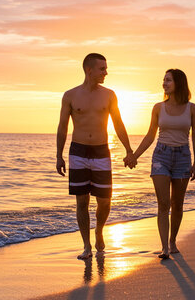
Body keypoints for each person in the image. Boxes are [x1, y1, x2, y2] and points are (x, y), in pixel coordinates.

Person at [56, 53, 135, 260]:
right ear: (89, 70)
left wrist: (128, 150)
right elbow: (63, 127)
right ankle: (86, 246)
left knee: (105, 201)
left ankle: (99, 229)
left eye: (106, 68)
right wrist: (59, 155)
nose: (106, 72)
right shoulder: (70, 95)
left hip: (101, 150)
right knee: (81, 201)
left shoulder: (109, 95)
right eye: (102, 69)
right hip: (78, 151)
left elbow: (118, 123)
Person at [126, 69, 195, 259]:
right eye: (163, 80)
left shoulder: (192, 109)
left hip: (183, 157)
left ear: (179, 83)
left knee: (177, 204)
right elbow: (150, 135)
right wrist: (134, 155)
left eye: (168, 80)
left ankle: (172, 241)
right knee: (163, 203)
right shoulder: (158, 107)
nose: (164, 83)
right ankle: (164, 247)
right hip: (161, 157)